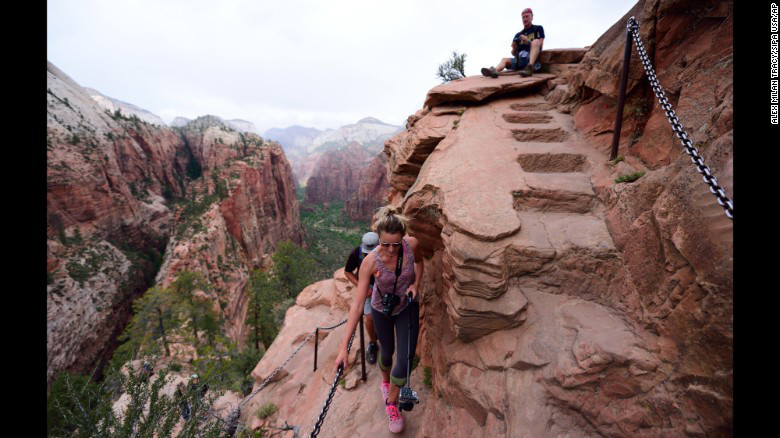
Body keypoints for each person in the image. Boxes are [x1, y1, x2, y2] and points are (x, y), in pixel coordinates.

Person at [333, 207, 423, 433]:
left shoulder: (412, 245)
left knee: (405, 360)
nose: (391, 250)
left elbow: (420, 263)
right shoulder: (370, 262)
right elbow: (357, 305)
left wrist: (415, 284)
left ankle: (391, 403)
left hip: (406, 306)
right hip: (381, 309)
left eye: (396, 244)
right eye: (385, 244)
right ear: (378, 239)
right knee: (387, 351)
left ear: (403, 238)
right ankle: (385, 383)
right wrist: (344, 348)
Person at [344, 232, 380, 365]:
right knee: (369, 318)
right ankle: (373, 343)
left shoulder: (387, 251)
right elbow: (347, 271)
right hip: (367, 286)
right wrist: (360, 285)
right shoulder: (357, 253)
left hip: (383, 285)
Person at [481, 8, 545, 78]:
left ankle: (530, 68)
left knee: (536, 41)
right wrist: (514, 48)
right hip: (519, 60)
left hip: (530, 58)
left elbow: (540, 45)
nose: (525, 19)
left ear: (532, 17)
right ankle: (494, 71)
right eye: (523, 17)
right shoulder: (518, 35)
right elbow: (513, 53)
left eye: (527, 16)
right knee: (504, 59)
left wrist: (528, 42)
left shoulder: (538, 28)